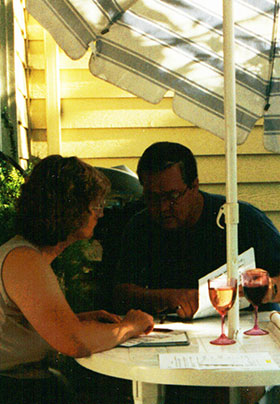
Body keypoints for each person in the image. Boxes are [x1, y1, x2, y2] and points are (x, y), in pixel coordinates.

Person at [113, 141, 280, 404]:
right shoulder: (139, 227)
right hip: (172, 352)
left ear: (195, 186)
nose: (162, 207)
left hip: (248, 347)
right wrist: (171, 297)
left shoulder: (239, 220)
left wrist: (267, 287)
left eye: (172, 196)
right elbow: (121, 290)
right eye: (152, 197)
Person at [0, 155, 154, 404]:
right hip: (14, 390)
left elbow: (25, 327)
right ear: (69, 210)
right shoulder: (24, 260)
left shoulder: (26, 254)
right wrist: (130, 326)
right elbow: (75, 344)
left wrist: (78, 321)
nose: (101, 214)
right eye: (95, 206)